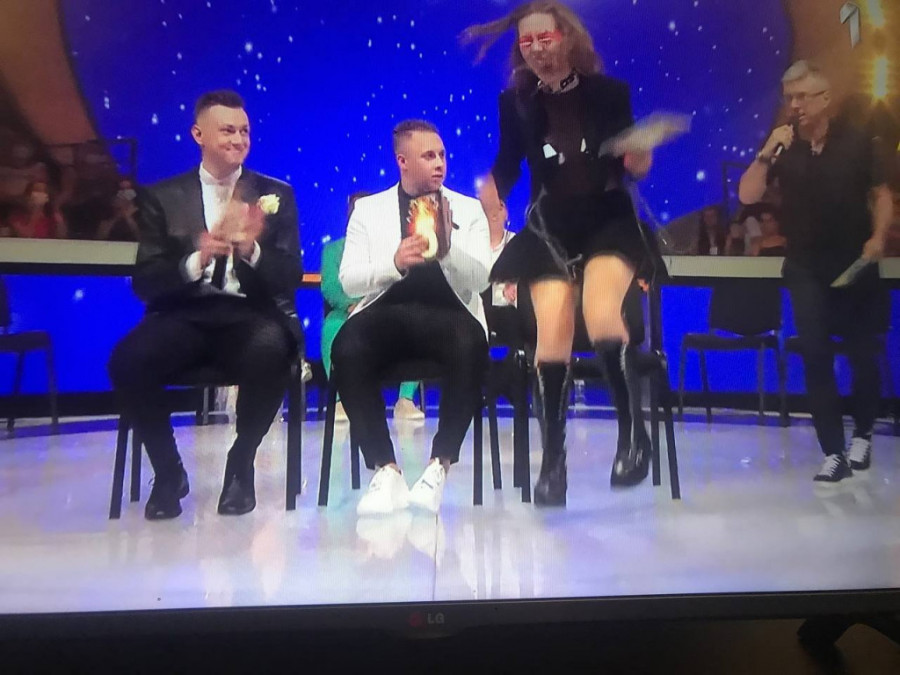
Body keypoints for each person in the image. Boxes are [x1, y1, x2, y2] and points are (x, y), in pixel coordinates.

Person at [462, 0, 660, 506]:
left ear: (566, 38)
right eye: (526, 42)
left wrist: (638, 157)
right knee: (551, 336)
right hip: (550, 226)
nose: (535, 49)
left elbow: (631, 164)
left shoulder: (609, 93)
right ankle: (553, 461)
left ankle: (633, 436)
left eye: (543, 38)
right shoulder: (516, 102)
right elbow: (509, 162)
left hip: (607, 220)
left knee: (601, 314)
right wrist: (493, 190)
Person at [108, 90, 303, 519]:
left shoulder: (275, 195)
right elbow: (146, 282)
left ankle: (241, 464)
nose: (239, 139)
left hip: (250, 313)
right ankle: (168, 471)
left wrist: (252, 250)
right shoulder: (162, 197)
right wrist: (198, 258)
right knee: (128, 360)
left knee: (272, 351)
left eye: (244, 131)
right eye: (228, 130)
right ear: (198, 135)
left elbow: (289, 276)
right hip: (183, 314)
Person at [739, 61, 893, 485]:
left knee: (862, 355)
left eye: (803, 96)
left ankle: (862, 433)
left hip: (854, 262)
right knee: (816, 353)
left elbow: (881, 195)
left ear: (825, 99)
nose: (795, 105)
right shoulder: (785, 145)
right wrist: (767, 150)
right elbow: (747, 194)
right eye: (789, 97)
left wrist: (879, 237)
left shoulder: (858, 140)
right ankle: (832, 452)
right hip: (805, 266)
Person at [332, 119, 491, 516]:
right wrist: (395, 262)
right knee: (347, 347)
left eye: (442, 155)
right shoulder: (369, 210)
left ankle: (439, 465)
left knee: (471, 344)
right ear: (402, 161)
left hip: (450, 315)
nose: (439, 164)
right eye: (428, 156)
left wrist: (448, 251)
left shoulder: (468, 209)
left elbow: (482, 280)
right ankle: (385, 468)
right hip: (386, 315)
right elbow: (349, 281)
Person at [320, 191, 425, 423]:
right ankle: (340, 400)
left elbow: (400, 280)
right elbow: (330, 285)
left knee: (415, 325)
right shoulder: (333, 250)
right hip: (347, 311)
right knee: (332, 328)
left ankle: (405, 400)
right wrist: (351, 304)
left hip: (384, 311)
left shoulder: (393, 248)